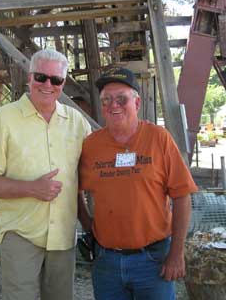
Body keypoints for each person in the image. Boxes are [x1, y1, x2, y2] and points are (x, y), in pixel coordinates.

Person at [0, 49, 91, 300]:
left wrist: (89, 221)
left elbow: (86, 179)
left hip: (63, 236)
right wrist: (31, 188)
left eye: (56, 80)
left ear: (63, 83)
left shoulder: (77, 123)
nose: (48, 84)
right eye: (41, 77)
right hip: (21, 235)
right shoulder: (3, 119)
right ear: (29, 77)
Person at [78, 67, 198, 300]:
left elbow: (182, 195)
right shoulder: (91, 145)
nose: (114, 105)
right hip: (106, 262)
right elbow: (76, 190)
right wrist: (88, 225)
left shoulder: (158, 138)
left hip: (153, 260)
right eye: (106, 100)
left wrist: (177, 253)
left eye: (121, 99)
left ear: (137, 102)